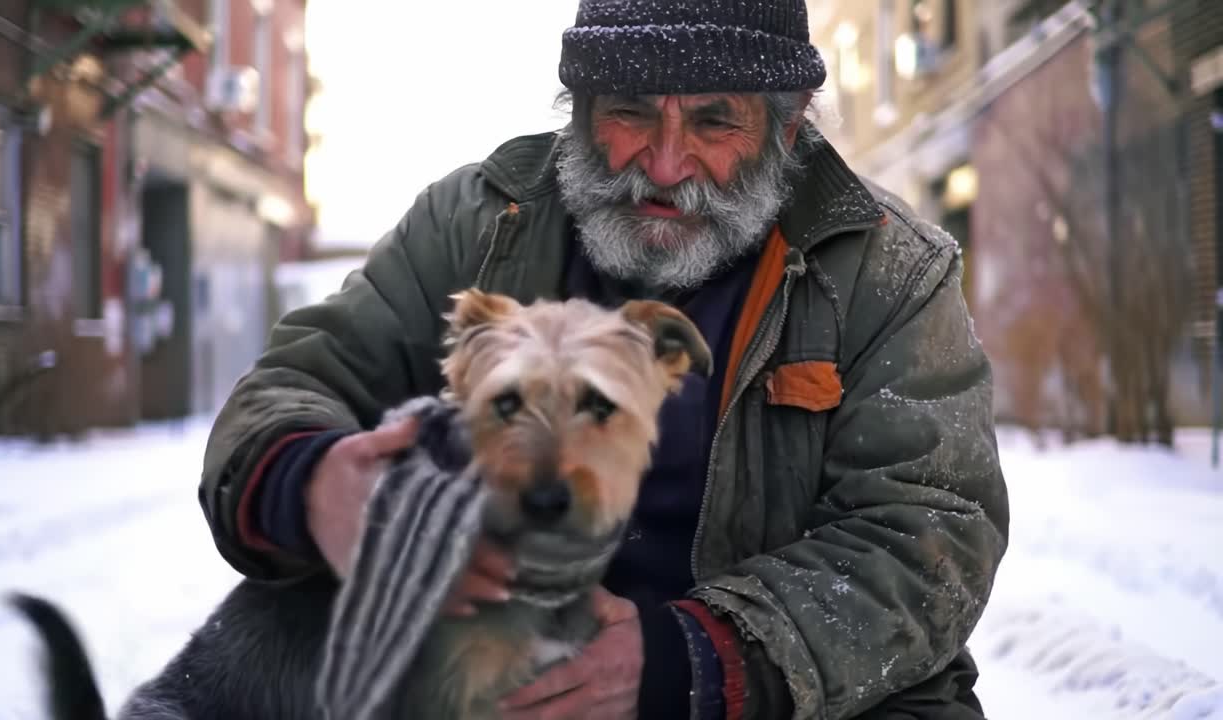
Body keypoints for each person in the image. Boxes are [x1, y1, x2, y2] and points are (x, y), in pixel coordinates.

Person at [198, 1, 1010, 718]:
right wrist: (313, 486)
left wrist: (692, 662)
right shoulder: (479, 222)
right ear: (580, 111)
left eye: (713, 121)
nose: (663, 165)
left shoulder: (885, 271)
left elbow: (931, 537)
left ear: (788, 125)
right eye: (628, 111)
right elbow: (295, 384)